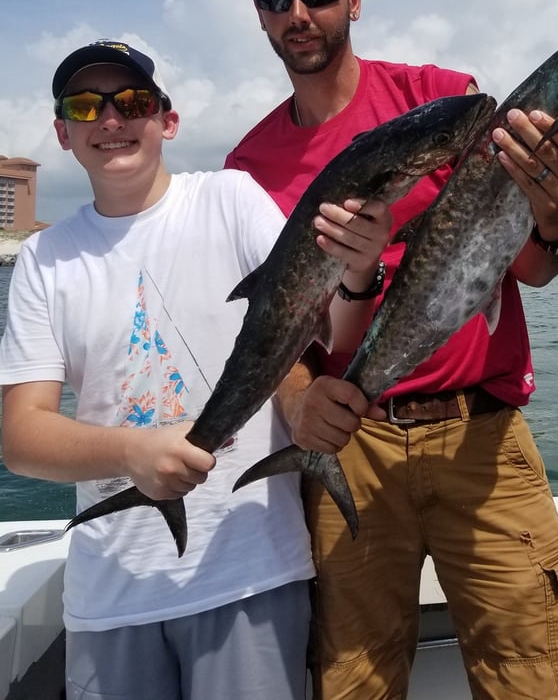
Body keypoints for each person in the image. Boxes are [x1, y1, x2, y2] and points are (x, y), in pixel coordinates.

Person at [225, 0, 558, 699]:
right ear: (259, 13)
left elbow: (530, 266)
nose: (300, 13)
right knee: (351, 682)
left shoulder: (442, 101)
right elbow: (272, 332)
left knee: (540, 675)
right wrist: (300, 404)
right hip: (351, 450)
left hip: (482, 438)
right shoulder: (244, 168)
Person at [0, 39, 391, 700]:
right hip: (111, 591)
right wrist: (133, 451)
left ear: (167, 120)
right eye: (87, 105)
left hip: (250, 570)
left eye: (132, 101)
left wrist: (358, 272)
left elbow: (327, 332)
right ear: (63, 132)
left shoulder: (231, 200)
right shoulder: (44, 259)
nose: (112, 120)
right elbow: (21, 438)